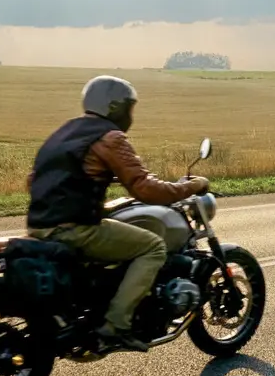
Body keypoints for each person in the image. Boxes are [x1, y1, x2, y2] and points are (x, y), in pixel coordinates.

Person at [26, 75, 209, 352]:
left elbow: (35, 180)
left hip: (39, 226)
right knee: (153, 247)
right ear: (114, 107)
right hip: (75, 229)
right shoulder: (110, 136)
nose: (130, 115)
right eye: (129, 108)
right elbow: (146, 189)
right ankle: (116, 326)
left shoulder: (65, 132)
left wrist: (96, 183)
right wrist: (190, 185)